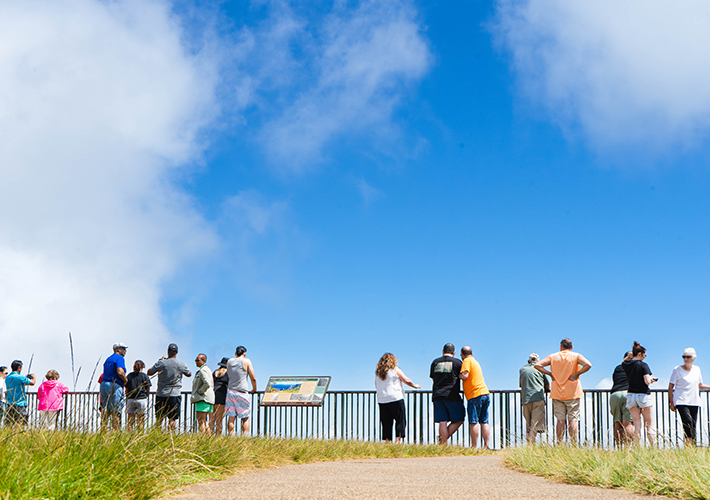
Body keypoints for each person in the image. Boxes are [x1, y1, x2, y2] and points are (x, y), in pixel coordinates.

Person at [535, 338, 592, 444]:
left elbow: (537, 365)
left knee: (560, 420)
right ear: (571, 347)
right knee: (573, 419)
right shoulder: (576, 356)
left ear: (561, 346)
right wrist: (576, 374)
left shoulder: (553, 357)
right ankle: (574, 444)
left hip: (557, 392)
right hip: (573, 392)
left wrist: (550, 374)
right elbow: (588, 364)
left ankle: (559, 443)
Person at [375, 353, 421, 443]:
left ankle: (387, 442)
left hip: (382, 399)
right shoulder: (395, 370)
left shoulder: (378, 373)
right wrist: (414, 385)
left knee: (386, 422)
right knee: (400, 420)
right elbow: (406, 380)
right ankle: (397, 441)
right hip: (396, 398)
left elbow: (376, 385)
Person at [669, 348, 710, 446]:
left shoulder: (697, 369)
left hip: (694, 401)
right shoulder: (677, 370)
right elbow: (670, 387)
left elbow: (700, 385)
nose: (685, 359)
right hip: (681, 401)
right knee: (687, 423)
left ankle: (692, 446)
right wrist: (671, 402)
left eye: (688, 357)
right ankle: (689, 446)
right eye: (684, 357)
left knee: (693, 425)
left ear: (694, 358)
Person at [148, 343, 192, 432]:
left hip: (161, 393)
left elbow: (149, 372)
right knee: (172, 419)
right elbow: (189, 374)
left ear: (168, 351)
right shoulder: (181, 364)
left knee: (159, 418)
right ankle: (171, 435)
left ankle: (157, 435)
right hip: (174, 394)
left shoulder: (161, 363)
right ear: (177, 352)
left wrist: (159, 361)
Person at [623, 341, 657, 446]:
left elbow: (623, 361)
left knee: (637, 424)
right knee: (649, 425)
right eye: (644, 355)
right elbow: (647, 381)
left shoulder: (626, 365)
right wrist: (651, 379)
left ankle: (637, 447)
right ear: (640, 354)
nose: (645, 357)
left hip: (631, 396)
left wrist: (629, 357)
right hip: (643, 395)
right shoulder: (643, 365)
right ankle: (653, 447)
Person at [430, 343, 465, 444]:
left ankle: (443, 443)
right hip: (452, 395)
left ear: (443, 351)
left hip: (437, 395)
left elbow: (433, 378)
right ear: (454, 353)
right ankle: (442, 441)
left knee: (442, 421)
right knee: (459, 418)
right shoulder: (457, 363)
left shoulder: (435, 362)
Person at [459, 346, 490, 449]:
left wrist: (458, 375)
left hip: (474, 394)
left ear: (462, 354)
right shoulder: (475, 361)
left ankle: (474, 446)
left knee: (473, 421)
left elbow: (465, 375)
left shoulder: (466, 361)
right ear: (471, 353)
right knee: (484, 421)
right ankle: (486, 446)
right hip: (485, 393)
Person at [226, 346, 257, 436]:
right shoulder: (246, 361)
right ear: (244, 354)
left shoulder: (229, 361)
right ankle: (244, 437)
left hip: (230, 392)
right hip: (241, 392)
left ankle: (230, 437)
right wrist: (254, 389)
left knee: (231, 418)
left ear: (235, 353)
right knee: (245, 418)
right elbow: (253, 378)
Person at [519, 353, 549, 444]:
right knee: (535, 424)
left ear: (528, 361)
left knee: (528, 425)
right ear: (538, 362)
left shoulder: (522, 369)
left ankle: (528, 444)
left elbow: (521, 385)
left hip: (525, 399)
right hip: (538, 398)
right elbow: (547, 386)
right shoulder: (540, 369)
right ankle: (531, 445)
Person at [101, 342, 128, 431]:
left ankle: (103, 431)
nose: (125, 351)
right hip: (115, 385)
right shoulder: (119, 358)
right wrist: (125, 380)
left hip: (104, 384)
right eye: (124, 349)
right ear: (118, 349)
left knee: (106, 410)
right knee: (116, 411)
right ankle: (115, 432)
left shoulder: (108, 359)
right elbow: (120, 371)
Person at [610, 351, 634, 447]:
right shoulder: (635, 368)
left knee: (617, 423)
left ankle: (619, 448)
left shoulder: (618, 368)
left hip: (615, 394)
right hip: (628, 394)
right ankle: (627, 449)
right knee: (628, 423)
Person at [4, 360, 36, 427]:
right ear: (19, 367)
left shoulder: (7, 377)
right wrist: (34, 377)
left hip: (10, 404)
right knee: (20, 424)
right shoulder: (21, 377)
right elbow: (32, 383)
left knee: (8, 424)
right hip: (20, 404)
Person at [192, 353, 215, 435]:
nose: (196, 362)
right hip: (208, 398)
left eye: (197, 360)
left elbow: (207, 383)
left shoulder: (203, 370)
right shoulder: (207, 369)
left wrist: (199, 391)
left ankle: (202, 438)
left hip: (202, 398)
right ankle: (208, 438)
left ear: (203, 361)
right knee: (204, 420)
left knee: (201, 421)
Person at [125, 360, 151, 431]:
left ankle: (129, 434)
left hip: (131, 399)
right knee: (140, 421)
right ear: (142, 367)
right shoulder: (144, 376)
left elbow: (126, 388)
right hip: (141, 399)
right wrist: (146, 395)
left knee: (130, 422)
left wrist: (127, 397)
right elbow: (148, 388)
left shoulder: (129, 376)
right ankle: (140, 434)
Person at [210, 357, 229, 435]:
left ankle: (209, 437)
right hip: (222, 395)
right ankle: (218, 437)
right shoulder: (228, 373)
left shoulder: (214, 372)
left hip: (212, 394)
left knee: (211, 420)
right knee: (219, 420)